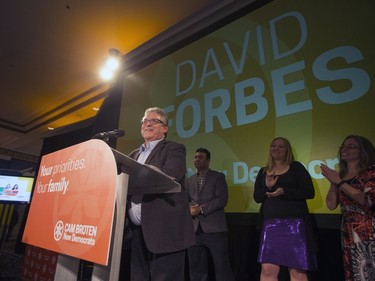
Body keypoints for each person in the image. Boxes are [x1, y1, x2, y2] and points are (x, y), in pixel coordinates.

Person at [126, 107, 195, 281]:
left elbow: (173, 174)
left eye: (154, 121)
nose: (148, 123)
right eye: (145, 121)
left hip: (164, 231)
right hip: (135, 233)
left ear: (165, 128)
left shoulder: (173, 149)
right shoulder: (132, 155)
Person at [253, 137, 317, 281]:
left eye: (281, 146)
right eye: (274, 145)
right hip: (270, 226)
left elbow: (309, 192)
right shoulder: (264, 171)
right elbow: (257, 197)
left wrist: (284, 191)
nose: (277, 149)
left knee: (297, 271)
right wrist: (267, 187)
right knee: (267, 269)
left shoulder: (296, 167)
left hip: (293, 225)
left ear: (287, 150)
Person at [321, 135, 375, 281]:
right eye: (343, 146)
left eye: (351, 146)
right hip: (348, 231)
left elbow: (368, 200)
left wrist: (339, 182)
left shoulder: (370, 172)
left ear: (362, 151)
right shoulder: (341, 176)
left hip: (369, 229)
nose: (345, 149)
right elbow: (331, 205)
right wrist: (334, 183)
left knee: (369, 271)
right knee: (353, 271)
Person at [185, 147, 235, 281]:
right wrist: (190, 208)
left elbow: (222, 199)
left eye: (200, 157)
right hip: (194, 230)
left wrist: (201, 209)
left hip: (215, 230)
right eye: (195, 157)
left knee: (221, 267)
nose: (197, 160)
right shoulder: (189, 180)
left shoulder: (218, 177)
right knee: (196, 268)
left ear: (208, 160)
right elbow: (186, 200)